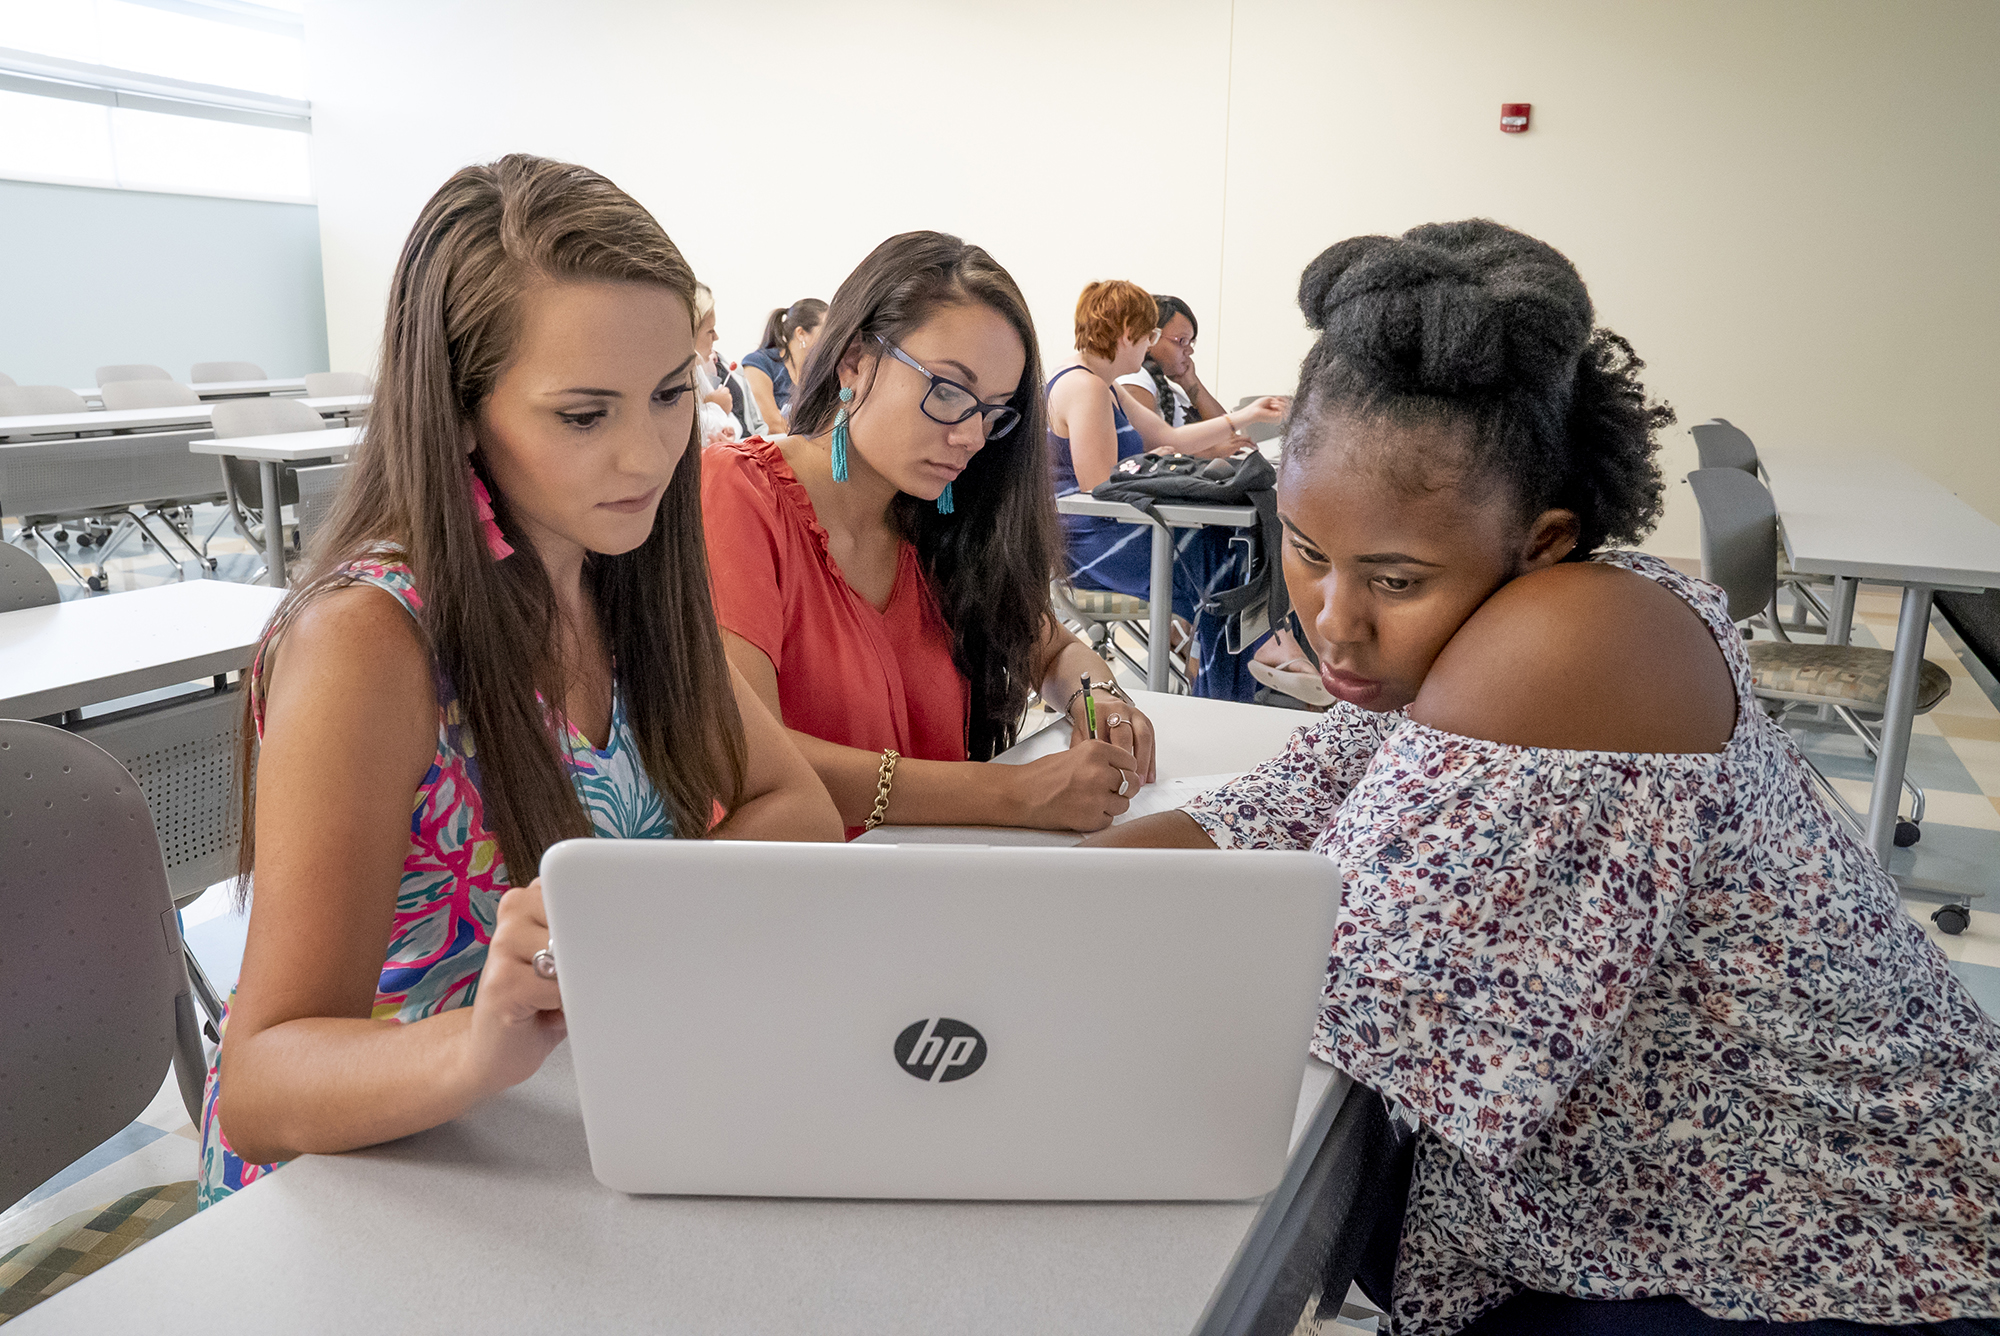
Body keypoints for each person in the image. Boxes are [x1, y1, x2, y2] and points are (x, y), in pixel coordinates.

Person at [1089, 221, 2000, 1334]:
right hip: (1662, 1225)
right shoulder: (1490, 618)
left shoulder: (1567, 645)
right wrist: (1010, 901)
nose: (1332, 620)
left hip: (1842, 1262)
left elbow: (1336, 989)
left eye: (1394, 576)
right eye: (1307, 549)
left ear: (1539, 537)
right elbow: (1280, 808)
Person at [198, 155, 843, 1207]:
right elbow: (262, 1084)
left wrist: (626, 925)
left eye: (672, 394)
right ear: (457, 409)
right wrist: (479, 1044)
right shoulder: (368, 640)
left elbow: (799, 811)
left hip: (561, 1133)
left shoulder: (626, 579)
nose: (649, 455)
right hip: (361, 1190)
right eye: (584, 416)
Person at [702, 231, 1157, 838]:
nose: (971, 436)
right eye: (948, 391)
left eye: (994, 411)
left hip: (928, 891)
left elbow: (1049, 648)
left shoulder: (940, 526)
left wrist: (1095, 697)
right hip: (787, 904)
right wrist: (1014, 792)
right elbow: (751, 761)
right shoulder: (738, 493)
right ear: (856, 361)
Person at [1046, 279, 1286, 698]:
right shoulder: (1084, 388)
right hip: (1091, 538)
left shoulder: (1103, 384)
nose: (1149, 346)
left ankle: (1243, 669)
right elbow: (1098, 484)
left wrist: (1244, 416)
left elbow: (1167, 438)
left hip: (1110, 525)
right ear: (1127, 334)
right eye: (1150, 335)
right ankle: (1226, 686)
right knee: (1225, 553)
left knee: (1239, 544)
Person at [1116, 293, 1230, 428]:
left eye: (1191, 342)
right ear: (1151, 337)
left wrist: (1190, 382)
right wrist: (1215, 450)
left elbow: (1228, 433)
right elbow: (1146, 445)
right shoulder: (1136, 378)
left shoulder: (1168, 388)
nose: (1190, 351)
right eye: (1182, 340)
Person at [739, 298, 826, 435]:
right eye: (826, 329)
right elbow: (772, 425)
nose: (832, 336)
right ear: (801, 334)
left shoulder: (821, 371)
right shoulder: (759, 363)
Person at [691, 282, 743, 444]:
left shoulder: (697, 368)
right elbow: (692, 429)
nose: (716, 337)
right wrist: (716, 407)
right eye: (709, 331)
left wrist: (730, 432)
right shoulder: (679, 372)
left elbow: (732, 421)